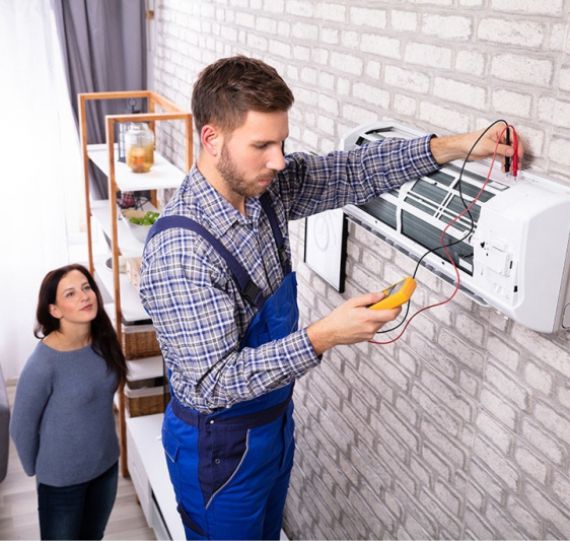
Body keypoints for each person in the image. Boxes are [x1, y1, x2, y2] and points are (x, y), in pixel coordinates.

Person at [139, 55, 523, 540]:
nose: (279, 160)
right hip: (217, 449)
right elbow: (214, 383)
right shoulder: (181, 250)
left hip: (273, 423)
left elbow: (354, 171)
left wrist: (461, 145)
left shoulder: (266, 191)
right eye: (261, 146)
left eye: (281, 142)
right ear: (212, 139)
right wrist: (323, 336)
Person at [10, 264, 127, 540]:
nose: (84, 296)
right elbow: (21, 426)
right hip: (61, 481)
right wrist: (39, 470)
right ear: (54, 310)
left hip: (105, 466)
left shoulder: (103, 340)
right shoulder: (43, 364)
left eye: (86, 288)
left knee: (93, 536)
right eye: (71, 294)